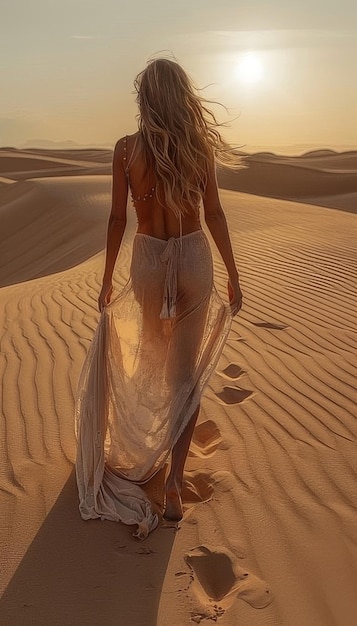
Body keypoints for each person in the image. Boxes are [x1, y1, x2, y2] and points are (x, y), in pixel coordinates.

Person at [75, 58, 243, 539]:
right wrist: (233, 273)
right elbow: (215, 214)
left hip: (149, 262)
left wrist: (107, 277)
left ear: (144, 97)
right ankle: (173, 484)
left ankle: (147, 451)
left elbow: (115, 220)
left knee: (154, 359)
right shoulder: (199, 148)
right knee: (184, 376)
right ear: (182, 95)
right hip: (194, 258)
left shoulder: (126, 151)